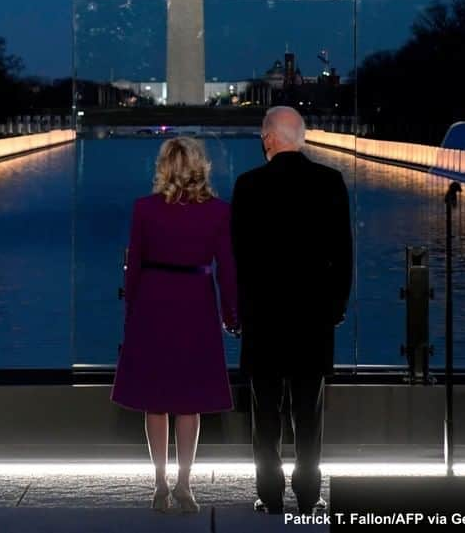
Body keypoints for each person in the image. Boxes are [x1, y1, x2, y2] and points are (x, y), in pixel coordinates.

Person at [231, 106, 352, 515]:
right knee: (309, 412)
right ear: (300, 138)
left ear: (268, 139)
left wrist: (238, 311)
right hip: (312, 317)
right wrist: (336, 306)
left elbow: (238, 259)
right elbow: (344, 255)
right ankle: (308, 494)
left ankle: (269, 495)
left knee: (264, 412)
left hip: (263, 317)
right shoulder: (330, 183)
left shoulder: (248, 185)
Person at [111, 137, 239, 513]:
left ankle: (160, 483)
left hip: (153, 303)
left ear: (164, 167)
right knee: (189, 401)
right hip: (196, 303)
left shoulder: (144, 209)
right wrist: (232, 315)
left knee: (156, 401)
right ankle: (185, 484)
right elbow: (227, 271)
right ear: (200, 166)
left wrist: (131, 313)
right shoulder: (218, 212)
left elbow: (132, 268)